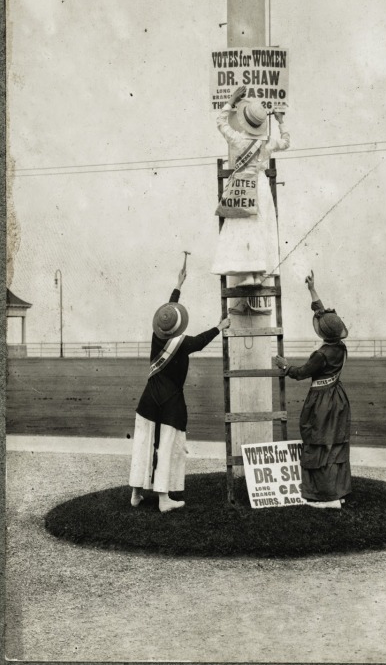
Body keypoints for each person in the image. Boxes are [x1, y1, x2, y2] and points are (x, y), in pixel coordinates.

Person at [129, 264, 230, 512]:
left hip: (148, 399)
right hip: (171, 401)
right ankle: (164, 499)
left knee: (143, 443)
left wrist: (178, 285)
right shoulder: (183, 343)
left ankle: (136, 493)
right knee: (167, 447)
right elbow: (201, 341)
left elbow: (166, 313)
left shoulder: (157, 337)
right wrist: (220, 326)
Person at [274, 270, 352, 509]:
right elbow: (324, 314)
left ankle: (326, 498)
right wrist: (312, 289)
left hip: (321, 402)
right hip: (337, 399)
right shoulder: (340, 348)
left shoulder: (321, 355)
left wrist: (285, 366)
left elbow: (301, 373)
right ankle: (337, 492)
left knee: (319, 444)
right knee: (335, 443)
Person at [212, 85, 290, 286]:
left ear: (245, 122)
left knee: (243, 229)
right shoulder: (268, 142)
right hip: (261, 186)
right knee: (261, 227)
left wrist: (231, 100)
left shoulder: (238, 139)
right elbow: (286, 142)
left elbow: (220, 122)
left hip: (243, 185)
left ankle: (248, 275)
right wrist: (281, 121)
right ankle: (258, 273)